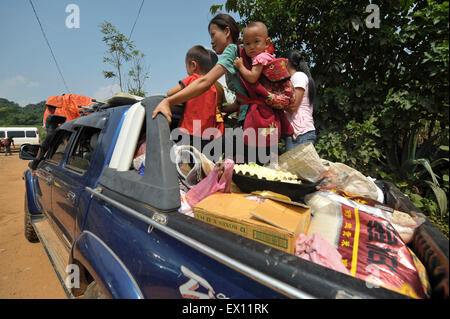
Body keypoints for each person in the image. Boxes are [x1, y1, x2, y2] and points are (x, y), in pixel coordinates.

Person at [153, 14, 283, 164]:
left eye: (213, 35)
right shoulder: (245, 54)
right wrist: (223, 109)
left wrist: (168, 102)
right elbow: (240, 102)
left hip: (253, 122)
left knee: (217, 156)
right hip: (267, 120)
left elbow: (205, 81)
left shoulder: (232, 51)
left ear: (227, 32)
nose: (211, 41)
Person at [167, 45, 218, 152]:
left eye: (187, 66)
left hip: (188, 133)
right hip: (207, 138)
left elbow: (170, 93)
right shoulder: (213, 88)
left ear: (193, 65)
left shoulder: (193, 79)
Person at [280, 50, 317, 151]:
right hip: (298, 133)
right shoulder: (292, 79)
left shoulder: (298, 77)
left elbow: (293, 107)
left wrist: (272, 102)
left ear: (285, 62)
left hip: (301, 132)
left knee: (297, 167)